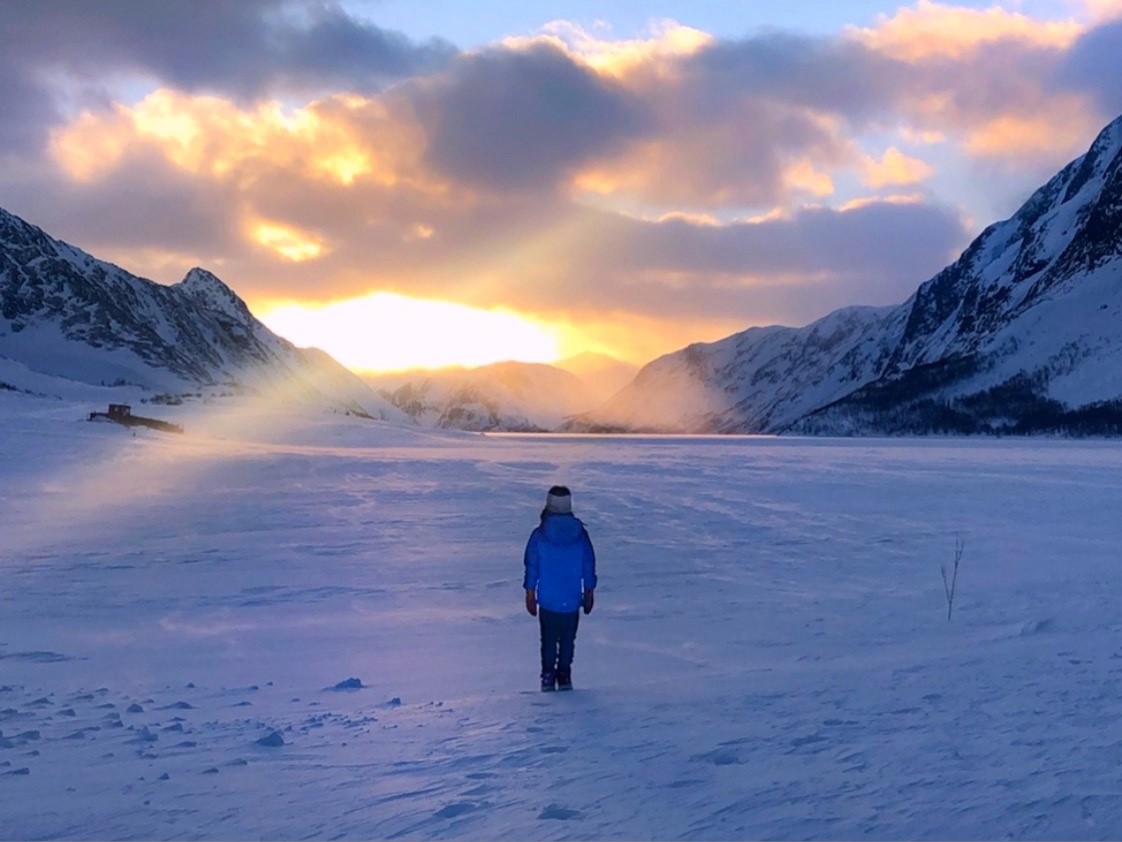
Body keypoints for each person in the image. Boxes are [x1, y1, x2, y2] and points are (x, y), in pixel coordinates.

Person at [523, 485, 597, 691]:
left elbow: (532, 565)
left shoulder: (539, 535)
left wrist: (530, 592)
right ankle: (564, 675)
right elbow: (588, 564)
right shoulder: (580, 535)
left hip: (548, 599)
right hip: (571, 599)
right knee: (567, 639)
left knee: (548, 639)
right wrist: (589, 591)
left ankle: (548, 676)